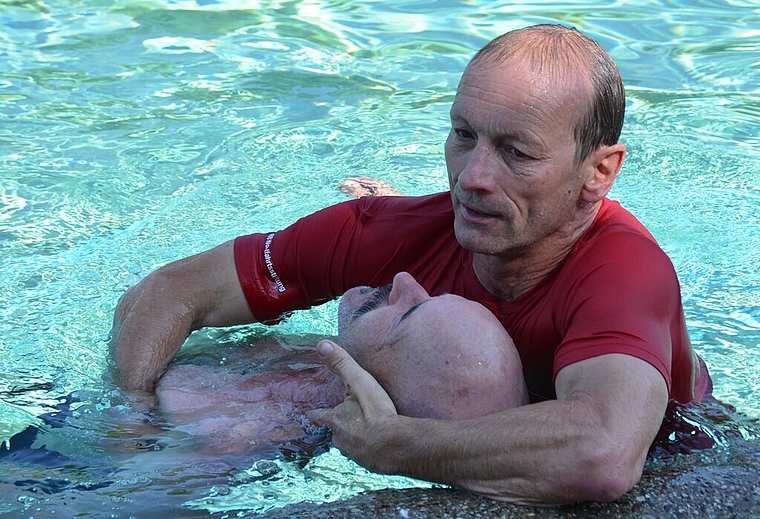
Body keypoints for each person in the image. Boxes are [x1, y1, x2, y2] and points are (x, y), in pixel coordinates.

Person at [111, 24, 712, 504]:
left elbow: (605, 456)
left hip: (677, 452)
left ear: (598, 172)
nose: (472, 178)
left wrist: (399, 446)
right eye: (463, 135)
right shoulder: (394, 234)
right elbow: (165, 293)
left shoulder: (625, 272)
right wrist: (129, 423)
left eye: (517, 153)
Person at [155, 272, 528, 455]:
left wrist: (136, 403)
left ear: (366, 391)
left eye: (407, 314)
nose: (405, 280)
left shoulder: (224, 432)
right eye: (433, 295)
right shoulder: (322, 364)